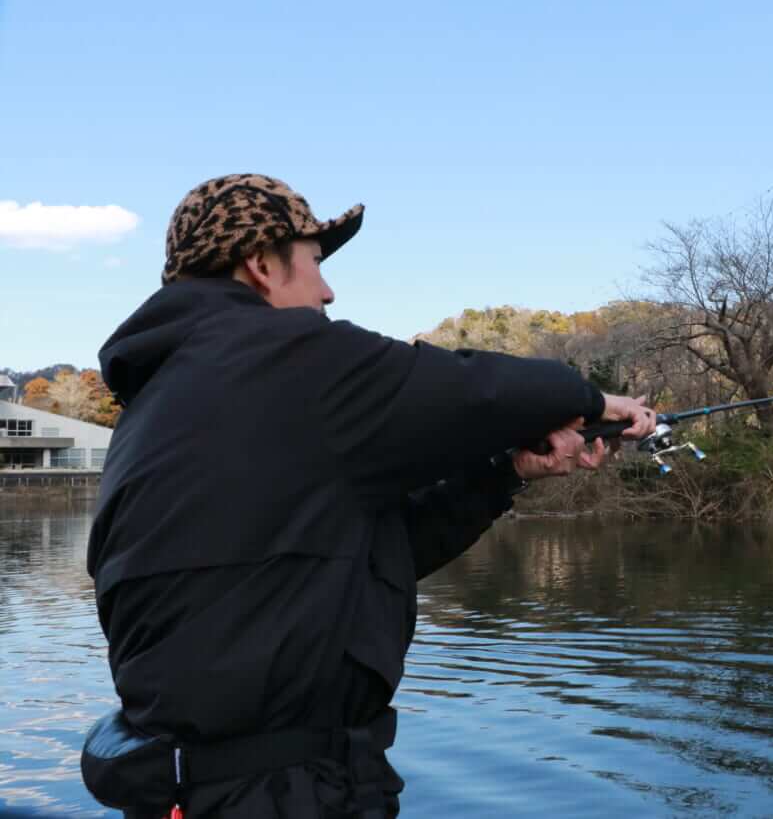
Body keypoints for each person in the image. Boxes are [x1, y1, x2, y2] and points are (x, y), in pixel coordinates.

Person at [82, 173, 656, 817]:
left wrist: (505, 473)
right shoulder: (283, 356)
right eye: (315, 263)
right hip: (284, 793)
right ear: (262, 264)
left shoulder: (153, 411)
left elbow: (364, 559)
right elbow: (468, 389)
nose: (327, 291)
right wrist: (593, 399)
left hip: (195, 789)